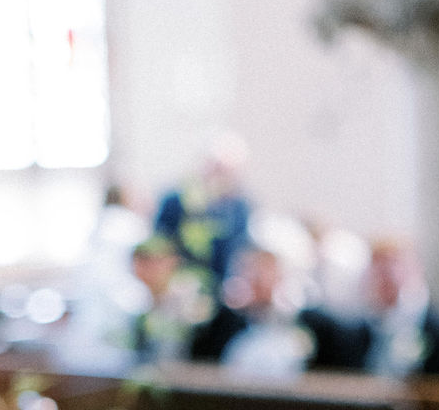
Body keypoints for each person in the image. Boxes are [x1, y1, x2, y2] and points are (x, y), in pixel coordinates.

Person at [302, 238, 439, 377]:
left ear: (416, 268)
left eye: (395, 264)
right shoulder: (355, 331)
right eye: (378, 266)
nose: (387, 274)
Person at [188, 246, 320, 376]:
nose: (256, 280)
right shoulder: (218, 328)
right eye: (248, 272)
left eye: (265, 272)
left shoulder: (313, 327)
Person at [153, 135, 252, 295]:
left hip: (222, 289)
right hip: (180, 286)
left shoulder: (239, 206)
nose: (221, 178)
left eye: (228, 172)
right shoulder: (177, 200)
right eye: (217, 169)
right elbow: (161, 242)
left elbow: (241, 248)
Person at [127, 238, 209, 364]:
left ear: (173, 262)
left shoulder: (191, 294)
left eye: (154, 262)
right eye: (141, 261)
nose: (148, 269)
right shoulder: (136, 300)